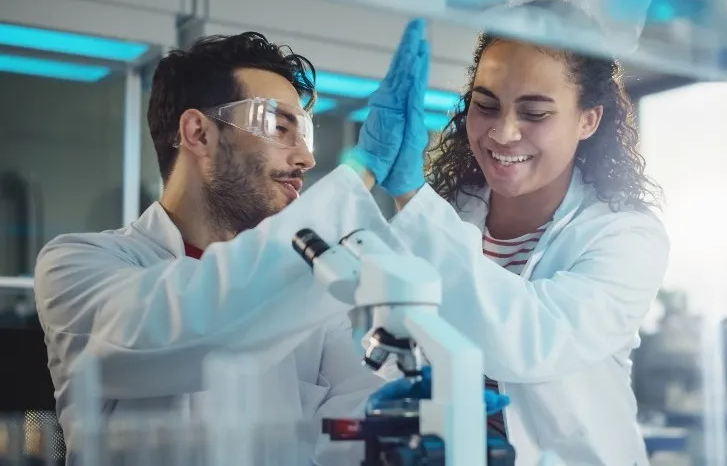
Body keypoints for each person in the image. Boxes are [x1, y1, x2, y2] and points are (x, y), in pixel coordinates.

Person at [35, 24, 508, 465]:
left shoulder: (307, 288)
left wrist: (402, 424)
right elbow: (196, 325)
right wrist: (359, 172)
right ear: (198, 133)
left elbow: (342, 427)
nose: (306, 157)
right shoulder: (77, 266)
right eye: (279, 127)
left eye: (304, 131)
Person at [353, 0, 671, 464]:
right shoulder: (447, 216)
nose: (502, 133)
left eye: (535, 113)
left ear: (589, 119)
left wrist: (411, 196)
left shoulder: (627, 237)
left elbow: (529, 341)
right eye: (486, 105)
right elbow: (387, 348)